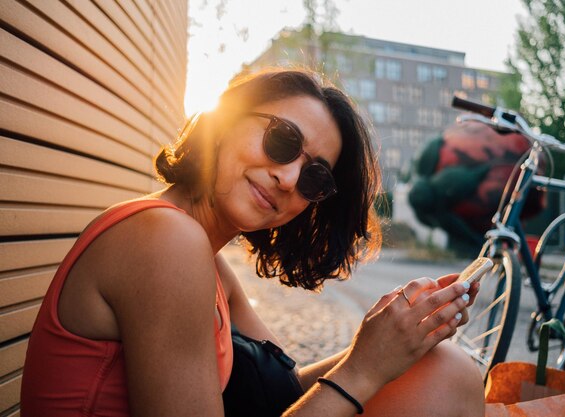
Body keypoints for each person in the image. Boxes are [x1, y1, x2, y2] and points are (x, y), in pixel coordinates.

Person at [21, 68, 485, 416]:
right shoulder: (162, 238)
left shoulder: (207, 261)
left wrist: (396, 335)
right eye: (281, 140)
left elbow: (285, 388)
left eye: (314, 176)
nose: (288, 178)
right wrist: (363, 369)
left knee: (443, 367)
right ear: (225, 120)